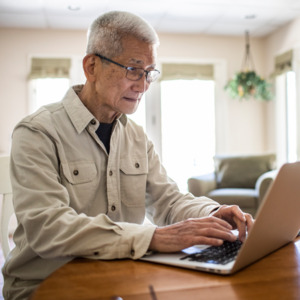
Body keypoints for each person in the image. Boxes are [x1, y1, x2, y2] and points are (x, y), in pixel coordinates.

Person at [2, 10, 253, 300]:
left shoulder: (136, 136)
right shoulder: (36, 133)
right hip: (45, 288)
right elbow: (48, 228)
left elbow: (167, 200)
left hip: (116, 282)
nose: (143, 85)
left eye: (149, 73)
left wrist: (212, 214)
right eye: (133, 70)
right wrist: (154, 237)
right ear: (92, 67)